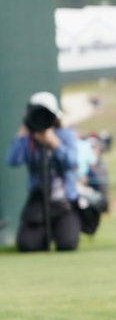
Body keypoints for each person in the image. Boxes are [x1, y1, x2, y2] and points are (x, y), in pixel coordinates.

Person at [7, 92, 83, 252]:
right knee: (28, 246)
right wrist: (22, 134)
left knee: (67, 244)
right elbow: (12, 160)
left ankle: (63, 229)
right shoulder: (29, 139)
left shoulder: (64, 135)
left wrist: (54, 144)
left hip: (63, 202)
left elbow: (72, 163)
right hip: (38, 201)